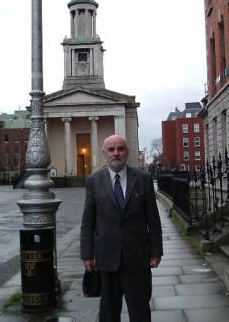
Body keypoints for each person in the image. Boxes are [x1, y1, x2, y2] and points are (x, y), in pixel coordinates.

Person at [80, 134, 163, 322]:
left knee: (140, 309)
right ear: (104, 153)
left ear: (127, 151)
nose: (116, 153)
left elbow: (153, 218)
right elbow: (88, 221)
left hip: (138, 257)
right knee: (108, 311)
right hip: (106, 258)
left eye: (120, 149)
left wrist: (156, 250)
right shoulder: (94, 180)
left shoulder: (143, 179)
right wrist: (87, 254)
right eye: (111, 149)